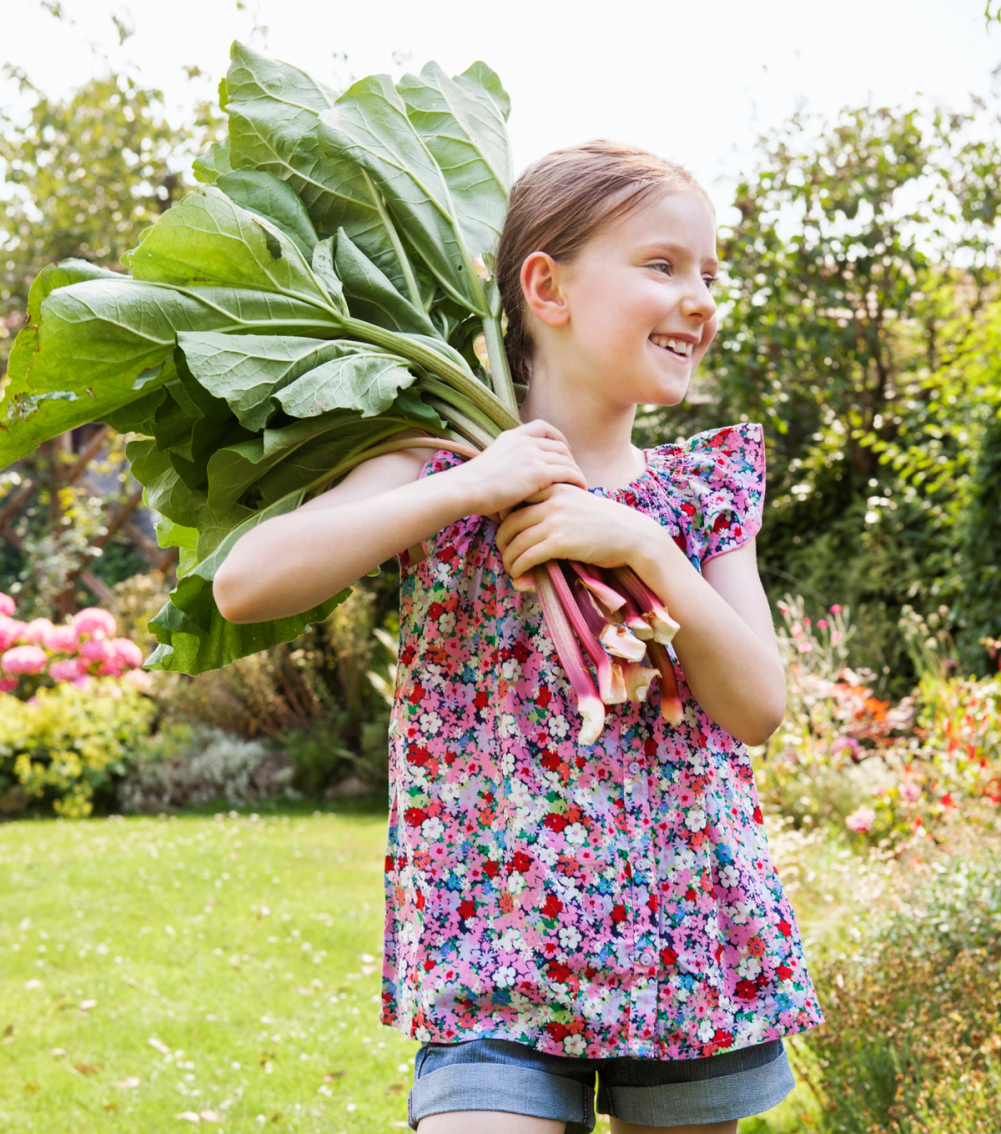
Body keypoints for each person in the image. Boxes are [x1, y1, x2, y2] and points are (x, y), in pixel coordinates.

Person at [213, 140, 824, 1134]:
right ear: (545, 285)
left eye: (709, 273)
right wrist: (470, 484)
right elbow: (246, 583)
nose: (700, 298)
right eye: (662, 266)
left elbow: (756, 706)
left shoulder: (703, 488)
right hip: (495, 941)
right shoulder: (435, 461)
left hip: (684, 943)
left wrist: (644, 548)